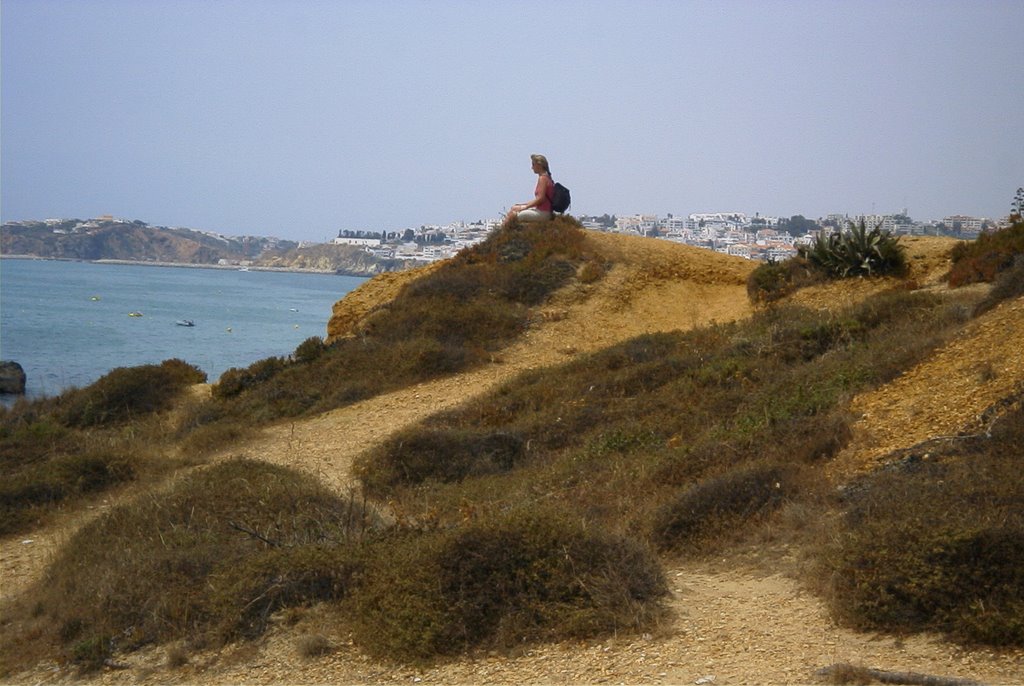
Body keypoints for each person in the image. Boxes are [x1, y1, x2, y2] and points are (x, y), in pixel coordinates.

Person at [506, 154, 554, 222]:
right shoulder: (547, 178)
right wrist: (523, 205)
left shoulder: (543, 178)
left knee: (513, 215)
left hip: (543, 213)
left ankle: (503, 231)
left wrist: (525, 207)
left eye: (533, 164)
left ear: (539, 165)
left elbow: (541, 199)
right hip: (544, 212)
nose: (532, 167)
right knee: (514, 208)